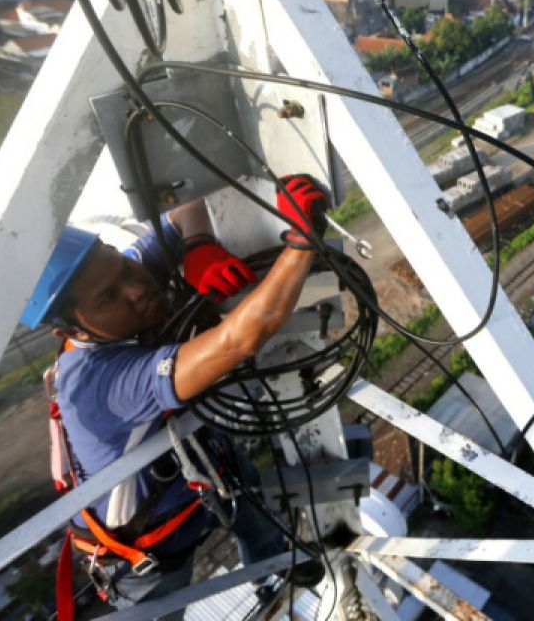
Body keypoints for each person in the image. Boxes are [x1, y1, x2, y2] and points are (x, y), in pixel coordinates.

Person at [22, 175, 332, 618]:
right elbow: (237, 342)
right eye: (110, 296)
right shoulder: (99, 384)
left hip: (201, 472)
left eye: (125, 269)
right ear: (71, 330)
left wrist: (199, 243)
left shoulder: (122, 276)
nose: (137, 287)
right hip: (148, 551)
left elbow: (184, 209)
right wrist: (301, 243)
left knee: (252, 510)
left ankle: (275, 567)